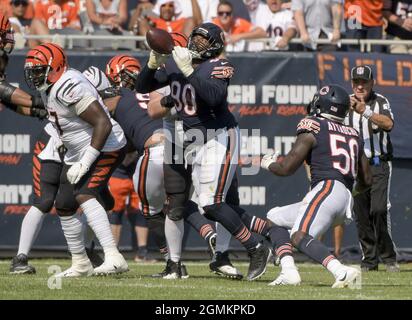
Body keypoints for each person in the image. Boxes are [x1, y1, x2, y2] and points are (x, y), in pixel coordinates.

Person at [135, 22, 271, 281]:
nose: (196, 42)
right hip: (190, 142)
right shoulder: (175, 64)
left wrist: (187, 70)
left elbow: (213, 96)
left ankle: (255, 247)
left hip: (218, 137)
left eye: (204, 40)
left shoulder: (220, 65)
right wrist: (153, 63)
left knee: (211, 203)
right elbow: (143, 88)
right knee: (197, 204)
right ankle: (252, 246)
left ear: (216, 44)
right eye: (194, 37)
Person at [95, 58, 218, 278]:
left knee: (150, 211)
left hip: (154, 151)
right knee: (178, 204)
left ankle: (171, 263)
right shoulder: (161, 88)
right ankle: (207, 233)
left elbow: (100, 118)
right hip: (180, 148)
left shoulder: (116, 96)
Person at [24, 43, 128, 277]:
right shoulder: (50, 86)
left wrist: (85, 162)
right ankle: (81, 262)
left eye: (40, 70)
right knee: (64, 203)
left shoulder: (68, 86)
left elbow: (103, 122)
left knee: (84, 193)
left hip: (105, 145)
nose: (35, 75)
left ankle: (113, 256)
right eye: (33, 70)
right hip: (78, 149)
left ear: (57, 67)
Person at [263, 84, 372, 287]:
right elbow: (367, 179)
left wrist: (268, 163)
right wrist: (351, 191)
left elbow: (286, 168)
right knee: (274, 219)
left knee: (299, 236)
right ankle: (288, 271)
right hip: (344, 197)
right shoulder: (353, 133)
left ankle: (341, 272)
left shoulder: (314, 125)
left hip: (328, 188)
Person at [346, 65, 399, 272]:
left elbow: (388, 124)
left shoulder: (380, 102)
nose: (360, 86)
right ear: (352, 84)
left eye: (364, 82)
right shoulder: (344, 103)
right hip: (356, 167)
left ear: (371, 83)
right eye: (356, 82)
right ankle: (369, 259)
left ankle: (388, 257)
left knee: (378, 210)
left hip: (378, 163)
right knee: (361, 214)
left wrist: (364, 111)